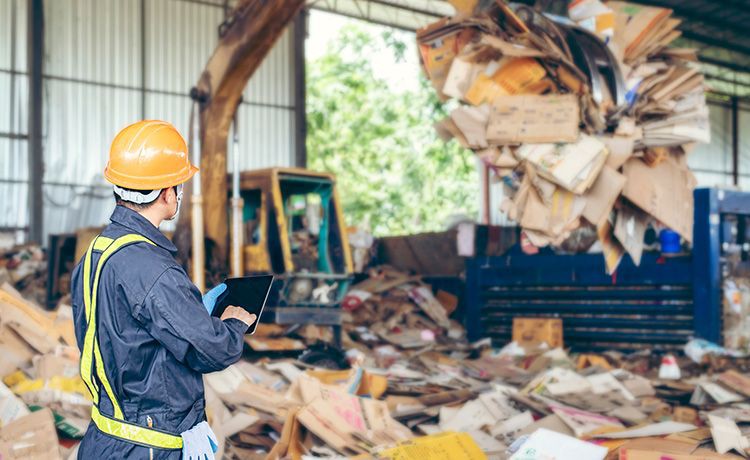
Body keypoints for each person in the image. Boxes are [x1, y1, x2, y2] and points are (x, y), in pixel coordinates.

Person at [71, 120, 255, 459]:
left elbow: (126, 330)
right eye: (179, 185)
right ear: (167, 193)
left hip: (104, 439)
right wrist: (233, 325)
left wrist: (187, 310)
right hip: (149, 448)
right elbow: (212, 351)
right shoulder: (155, 269)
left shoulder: (95, 253)